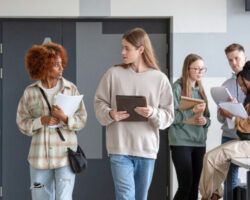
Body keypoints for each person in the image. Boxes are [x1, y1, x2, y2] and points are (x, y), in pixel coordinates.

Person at [94, 27, 174, 200]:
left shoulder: (160, 79)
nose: (122, 52)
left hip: (146, 149)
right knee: (125, 196)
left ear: (141, 49)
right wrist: (110, 114)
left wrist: (152, 112)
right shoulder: (113, 74)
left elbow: (168, 116)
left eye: (127, 48)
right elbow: (99, 102)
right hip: (119, 148)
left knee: (140, 197)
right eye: (122, 47)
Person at [16, 42, 87, 200]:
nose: (61, 68)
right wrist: (41, 121)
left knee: (64, 198)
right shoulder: (30, 92)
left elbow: (82, 120)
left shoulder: (71, 89)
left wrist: (65, 118)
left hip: (65, 157)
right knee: (38, 194)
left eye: (61, 63)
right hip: (38, 159)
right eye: (56, 65)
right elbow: (22, 122)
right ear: (43, 66)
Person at [199, 61, 250, 200]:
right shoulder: (248, 98)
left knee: (211, 158)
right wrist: (234, 109)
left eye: (243, 84)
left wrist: (231, 115)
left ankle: (209, 196)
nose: (241, 88)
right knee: (211, 158)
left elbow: (247, 125)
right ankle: (212, 194)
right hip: (244, 141)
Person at [168, 54, 211, 200]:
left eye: (202, 69)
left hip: (199, 143)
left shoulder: (201, 90)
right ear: (187, 69)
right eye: (196, 69)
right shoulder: (177, 88)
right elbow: (170, 117)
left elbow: (208, 118)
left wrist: (205, 121)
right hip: (181, 143)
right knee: (185, 185)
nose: (200, 72)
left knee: (194, 188)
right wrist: (191, 111)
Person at [217, 43, 246, 198]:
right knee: (229, 176)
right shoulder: (225, 85)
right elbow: (219, 118)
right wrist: (223, 113)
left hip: (245, 136)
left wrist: (237, 112)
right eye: (230, 60)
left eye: (237, 58)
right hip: (228, 135)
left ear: (245, 57)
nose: (234, 63)